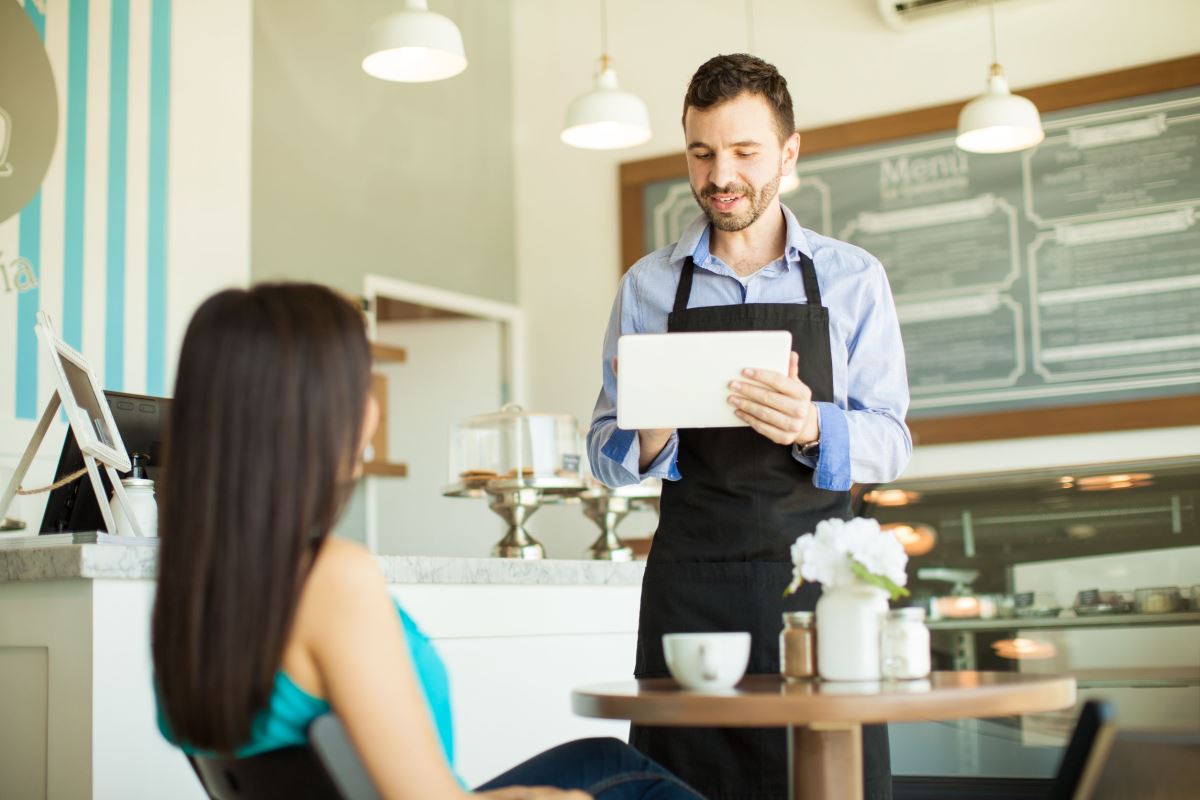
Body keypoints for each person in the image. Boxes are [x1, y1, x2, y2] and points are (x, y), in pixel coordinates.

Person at [151, 283, 705, 800]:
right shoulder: (332, 580)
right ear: (308, 412)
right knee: (634, 781)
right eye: (362, 383)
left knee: (606, 759)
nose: (373, 408)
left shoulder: (193, 588)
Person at [588, 54, 912, 800]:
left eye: (744, 152)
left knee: (824, 783)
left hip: (817, 591)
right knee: (677, 789)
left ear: (789, 154)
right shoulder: (647, 286)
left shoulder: (851, 278)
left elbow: (891, 442)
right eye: (702, 153)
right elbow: (604, 455)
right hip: (689, 592)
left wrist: (812, 425)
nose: (720, 175)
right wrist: (648, 436)